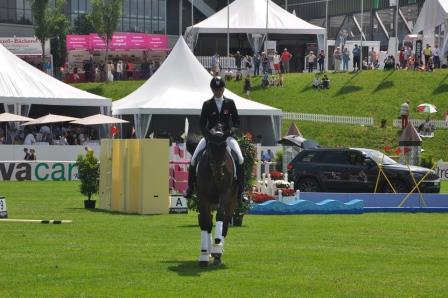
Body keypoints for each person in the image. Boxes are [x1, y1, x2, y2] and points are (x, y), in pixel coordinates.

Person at [184, 77, 245, 200]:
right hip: (210, 138)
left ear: (223, 89)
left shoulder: (230, 103)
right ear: (212, 89)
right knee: (194, 159)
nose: (218, 91)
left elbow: (237, 123)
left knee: (240, 158)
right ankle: (190, 188)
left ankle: (241, 190)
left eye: (220, 89)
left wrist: (228, 132)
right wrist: (209, 134)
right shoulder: (207, 104)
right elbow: (202, 124)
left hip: (227, 138)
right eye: (216, 89)